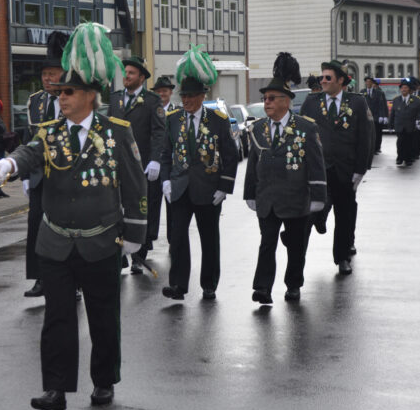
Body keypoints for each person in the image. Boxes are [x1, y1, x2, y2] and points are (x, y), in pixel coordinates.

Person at [0, 21, 146, 410]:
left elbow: (134, 186)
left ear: (90, 95)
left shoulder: (117, 132)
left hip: (101, 240)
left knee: (103, 316)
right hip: (56, 241)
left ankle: (104, 380)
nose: (60, 98)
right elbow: (28, 153)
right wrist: (8, 165)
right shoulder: (49, 133)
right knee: (57, 318)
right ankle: (56, 389)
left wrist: (134, 233)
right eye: (59, 92)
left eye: (68, 92)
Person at [244, 53, 326, 304]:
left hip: (296, 200)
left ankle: (293, 284)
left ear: (286, 101)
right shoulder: (257, 128)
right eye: (265, 99)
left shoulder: (306, 127)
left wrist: (318, 196)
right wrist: (249, 193)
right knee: (267, 243)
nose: (266, 102)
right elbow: (252, 164)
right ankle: (262, 288)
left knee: (296, 246)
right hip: (267, 199)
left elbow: (316, 165)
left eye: (271, 98)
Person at [159, 45, 239, 301]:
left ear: (203, 96)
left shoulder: (218, 120)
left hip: (208, 189)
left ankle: (209, 284)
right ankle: (178, 285)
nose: (187, 101)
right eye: (184, 96)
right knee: (178, 238)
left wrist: (224, 187)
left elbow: (231, 156)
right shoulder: (173, 119)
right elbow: (166, 153)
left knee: (209, 239)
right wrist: (165, 181)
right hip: (180, 188)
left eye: (192, 96)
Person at [298, 59, 373, 276]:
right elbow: (301, 135)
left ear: (341, 80)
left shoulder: (357, 102)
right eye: (321, 77)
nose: (322, 81)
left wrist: (360, 169)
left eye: (327, 77)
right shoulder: (311, 102)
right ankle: (297, 258)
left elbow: (365, 137)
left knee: (345, 214)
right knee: (308, 213)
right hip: (318, 169)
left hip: (345, 169)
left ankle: (342, 257)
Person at [21, 31, 69, 298]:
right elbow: (28, 138)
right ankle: (40, 278)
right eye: (44, 74)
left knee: (65, 228)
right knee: (36, 226)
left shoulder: (72, 97)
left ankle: (72, 281)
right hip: (40, 174)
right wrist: (24, 175)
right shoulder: (36, 101)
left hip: (67, 173)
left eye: (53, 73)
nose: (48, 79)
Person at [108, 55, 165, 274]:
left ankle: (139, 256)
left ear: (142, 77)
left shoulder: (151, 100)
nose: (127, 76)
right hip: (116, 163)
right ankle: (119, 255)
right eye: (125, 72)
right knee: (116, 208)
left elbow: (159, 131)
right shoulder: (115, 98)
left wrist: (155, 159)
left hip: (141, 165)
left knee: (141, 208)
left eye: (131, 73)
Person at [148, 75, 176, 246]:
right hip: (153, 163)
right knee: (151, 202)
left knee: (172, 204)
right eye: (158, 91)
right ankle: (149, 238)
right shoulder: (150, 110)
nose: (161, 94)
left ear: (170, 92)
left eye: (164, 91)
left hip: (171, 165)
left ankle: (173, 241)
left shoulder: (177, 111)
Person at [390, 78, 420, 166]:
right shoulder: (396, 100)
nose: (403, 89)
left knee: (409, 142)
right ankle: (400, 158)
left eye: (405, 88)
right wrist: (390, 124)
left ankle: (408, 159)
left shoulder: (416, 100)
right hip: (399, 125)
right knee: (400, 142)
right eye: (402, 88)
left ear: (409, 89)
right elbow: (393, 113)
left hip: (410, 125)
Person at [362, 76, 388, 154]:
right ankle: (369, 148)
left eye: (370, 82)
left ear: (372, 83)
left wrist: (383, 116)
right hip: (366, 117)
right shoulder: (362, 92)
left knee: (377, 133)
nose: (368, 83)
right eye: (367, 82)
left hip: (376, 116)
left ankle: (376, 148)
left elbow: (382, 104)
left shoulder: (378, 93)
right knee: (368, 133)